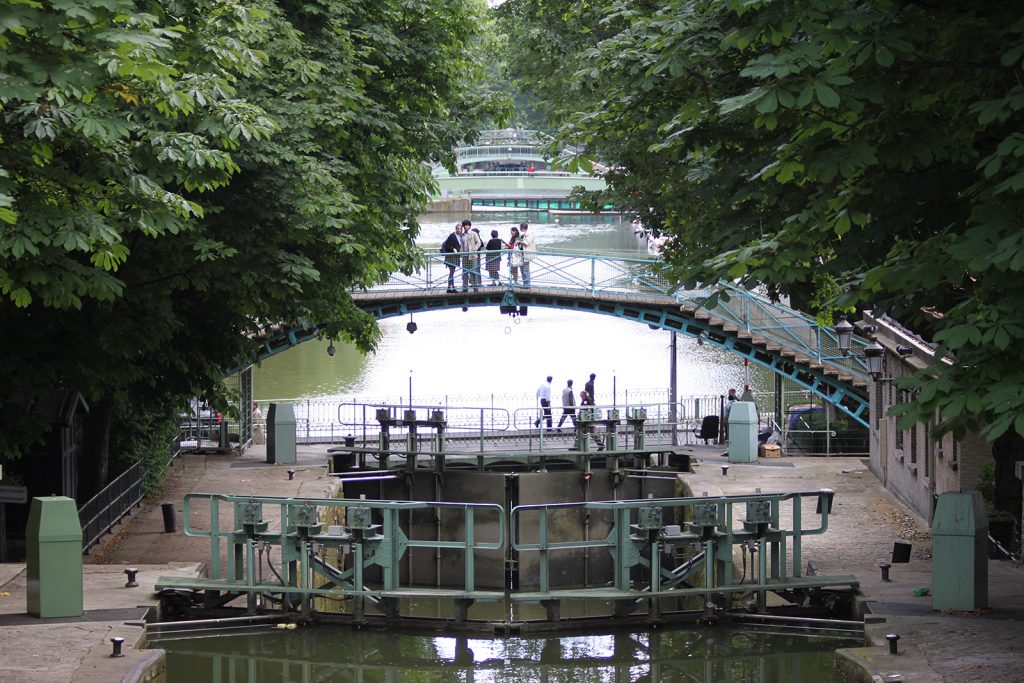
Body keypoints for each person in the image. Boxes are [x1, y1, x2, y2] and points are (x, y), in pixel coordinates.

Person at [440, 223, 463, 292]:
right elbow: (447, 245)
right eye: (458, 229)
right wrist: (453, 249)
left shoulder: (461, 236)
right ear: (456, 229)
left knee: (452, 272)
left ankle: (450, 287)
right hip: (450, 257)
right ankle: (450, 287)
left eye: (460, 229)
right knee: (452, 272)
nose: (459, 230)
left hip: (456, 257)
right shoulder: (452, 236)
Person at [461, 219, 482, 291]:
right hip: (465, 256)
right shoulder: (462, 235)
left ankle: (475, 287)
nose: (465, 227)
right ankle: (465, 287)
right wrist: (461, 253)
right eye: (464, 225)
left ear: (469, 226)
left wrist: (474, 249)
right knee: (465, 272)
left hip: (472, 256)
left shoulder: (473, 233)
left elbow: (479, 242)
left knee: (473, 271)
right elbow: (461, 245)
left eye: (467, 225)